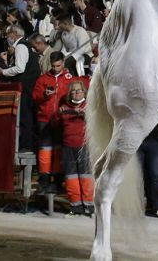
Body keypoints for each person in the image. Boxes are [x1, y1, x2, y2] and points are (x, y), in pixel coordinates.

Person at [32, 51, 73, 194]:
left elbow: (75, 97)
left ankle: (56, 182)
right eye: (54, 66)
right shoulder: (43, 79)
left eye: (59, 65)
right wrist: (44, 95)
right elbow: (35, 97)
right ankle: (43, 182)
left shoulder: (69, 79)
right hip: (45, 119)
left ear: (63, 63)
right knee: (45, 152)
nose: (56, 68)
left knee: (58, 152)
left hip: (62, 120)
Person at [0, 25, 39, 153]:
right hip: (28, 86)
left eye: (8, 34)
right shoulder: (25, 46)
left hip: (26, 87)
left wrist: (3, 71)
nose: (7, 37)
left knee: (25, 116)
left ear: (14, 34)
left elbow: (20, 68)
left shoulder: (21, 46)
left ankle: (26, 145)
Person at [58, 80, 94, 216]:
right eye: (73, 90)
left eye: (79, 90)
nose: (76, 93)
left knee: (86, 176)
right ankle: (75, 206)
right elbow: (56, 122)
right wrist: (61, 113)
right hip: (68, 146)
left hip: (84, 145)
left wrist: (83, 113)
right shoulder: (64, 107)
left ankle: (89, 206)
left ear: (84, 92)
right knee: (71, 177)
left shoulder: (89, 106)